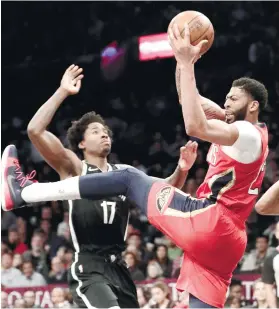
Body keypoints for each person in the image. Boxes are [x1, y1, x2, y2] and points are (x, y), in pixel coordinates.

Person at [1, 24, 269, 307]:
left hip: (211, 220)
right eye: (226, 96)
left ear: (253, 106)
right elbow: (187, 100)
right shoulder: (237, 129)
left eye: (233, 98)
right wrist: (181, 60)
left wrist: (188, 63)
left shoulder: (248, 133)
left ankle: (24, 193)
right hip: (227, 242)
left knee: (127, 177)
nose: (226, 101)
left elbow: (193, 124)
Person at [1, 65, 194, 308]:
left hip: (120, 269)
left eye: (106, 132)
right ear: (81, 143)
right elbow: (34, 130)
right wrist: (62, 91)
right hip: (90, 268)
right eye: (96, 131)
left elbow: (165, 191)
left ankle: (24, 193)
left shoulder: (125, 174)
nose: (104, 135)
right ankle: (22, 192)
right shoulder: (74, 167)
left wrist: (183, 169)